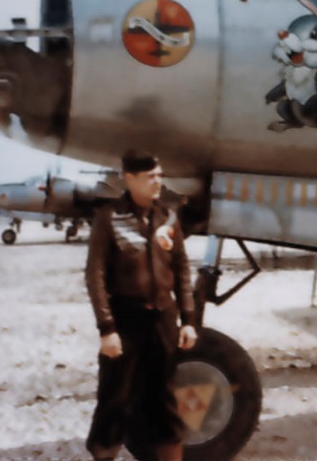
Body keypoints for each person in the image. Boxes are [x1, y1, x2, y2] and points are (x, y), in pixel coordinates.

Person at [85, 149, 197, 461]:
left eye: (159, 175)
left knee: (163, 400)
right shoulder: (109, 218)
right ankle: (104, 454)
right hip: (125, 321)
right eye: (150, 177)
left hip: (163, 320)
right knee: (114, 400)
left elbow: (183, 270)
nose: (158, 181)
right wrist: (106, 328)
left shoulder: (168, 217)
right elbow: (95, 276)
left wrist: (188, 319)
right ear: (130, 179)